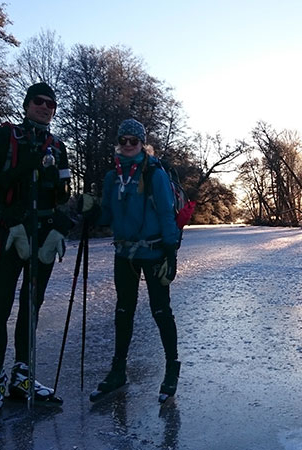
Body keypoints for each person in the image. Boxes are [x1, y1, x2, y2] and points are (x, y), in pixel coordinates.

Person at [0, 82, 71, 416]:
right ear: (27, 104)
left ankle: (22, 376)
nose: (46, 108)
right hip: (11, 233)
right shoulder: (6, 137)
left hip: (41, 237)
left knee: (32, 308)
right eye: (39, 102)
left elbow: (62, 194)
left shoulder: (58, 147)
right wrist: (24, 166)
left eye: (51, 104)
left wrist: (62, 225)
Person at [88, 118, 182, 402]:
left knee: (160, 310)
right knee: (123, 311)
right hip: (124, 253)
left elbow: (167, 213)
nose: (128, 145)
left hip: (153, 251)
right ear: (118, 142)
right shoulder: (111, 176)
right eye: (124, 140)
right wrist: (89, 212)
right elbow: (106, 216)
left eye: (134, 141)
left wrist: (170, 251)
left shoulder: (154, 174)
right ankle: (118, 371)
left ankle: (171, 369)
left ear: (142, 143)